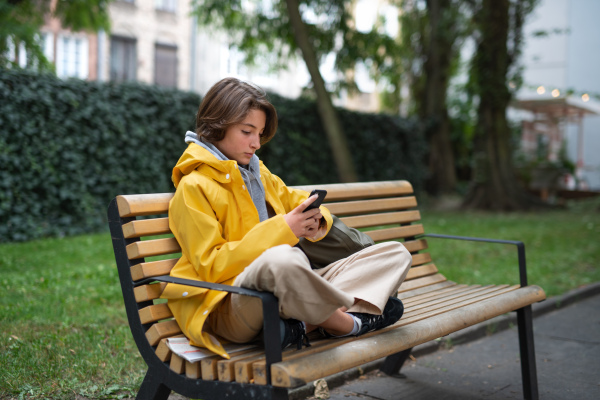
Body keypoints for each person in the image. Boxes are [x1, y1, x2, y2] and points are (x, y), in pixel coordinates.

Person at [161, 77, 413, 359]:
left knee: (395, 253)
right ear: (218, 124)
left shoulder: (257, 173)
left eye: (260, 133)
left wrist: (316, 221)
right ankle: (348, 323)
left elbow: (297, 202)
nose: (256, 143)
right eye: (247, 131)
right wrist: (284, 230)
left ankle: (304, 323)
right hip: (229, 302)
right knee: (283, 258)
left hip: (286, 287)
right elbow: (211, 266)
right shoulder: (192, 187)